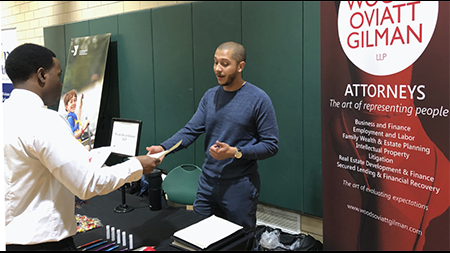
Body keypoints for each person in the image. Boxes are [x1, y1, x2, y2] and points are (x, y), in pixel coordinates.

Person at [4, 43, 162, 251]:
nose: (61, 85)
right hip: (46, 243)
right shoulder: (45, 121)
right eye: (58, 76)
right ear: (42, 75)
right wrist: (136, 166)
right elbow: (88, 184)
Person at [146, 41, 279, 233]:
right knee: (201, 237)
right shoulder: (210, 97)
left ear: (240, 66)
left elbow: (271, 145)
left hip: (239, 187)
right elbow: (190, 130)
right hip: (207, 184)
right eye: (215, 62)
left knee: (239, 242)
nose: (218, 69)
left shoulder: (258, 99)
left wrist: (235, 152)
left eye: (224, 64)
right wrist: (164, 148)